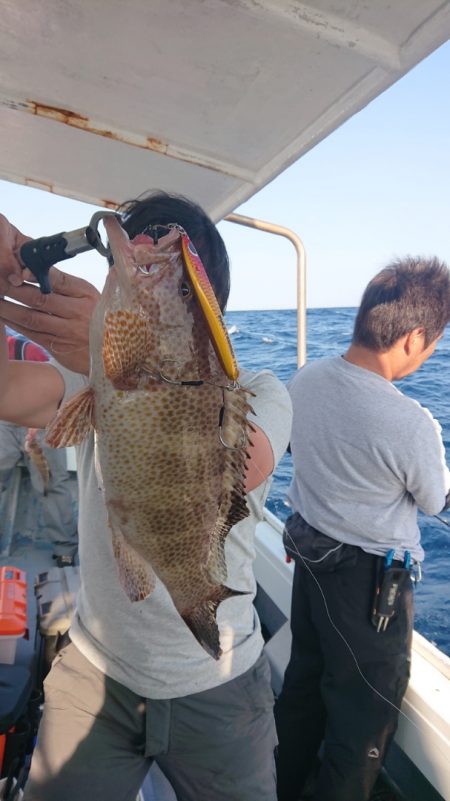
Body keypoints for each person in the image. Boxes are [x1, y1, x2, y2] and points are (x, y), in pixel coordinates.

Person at [0, 192, 293, 801]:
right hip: (97, 671)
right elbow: (8, 390)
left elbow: (246, 463)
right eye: (127, 259)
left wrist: (132, 373)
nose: (140, 265)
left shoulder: (262, 389)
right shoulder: (92, 376)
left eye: (178, 283)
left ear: (210, 302)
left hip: (223, 679)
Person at [274, 256, 450, 801]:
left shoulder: (306, 379)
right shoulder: (410, 422)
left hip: (310, 564)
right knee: (362, 726)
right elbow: (434, 498)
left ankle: (278, 787)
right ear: (415, 336)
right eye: (436, 341)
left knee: (302, 690)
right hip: (371, 590)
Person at [0, 329, 78, 566]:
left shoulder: (28, 349)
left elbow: (52, 392)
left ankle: (65, 548)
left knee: (49, 484)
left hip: (41, 419)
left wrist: (36, 428)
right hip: (5, 420)